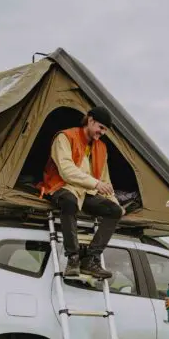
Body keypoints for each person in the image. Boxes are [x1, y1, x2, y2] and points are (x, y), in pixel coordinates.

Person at [38, 106, 124, 279]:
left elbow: (105, 180)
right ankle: (73, 258)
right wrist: (96, 184)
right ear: (90, 120)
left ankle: (91, 258)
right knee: (69, 202)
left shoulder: (102, 147)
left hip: (86, 192)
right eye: (101, 127)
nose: (102, 133)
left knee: (115, 211)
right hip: (61, 185)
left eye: (105, 130)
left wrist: (114, 201)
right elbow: (66, 170)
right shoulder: (65, 137)